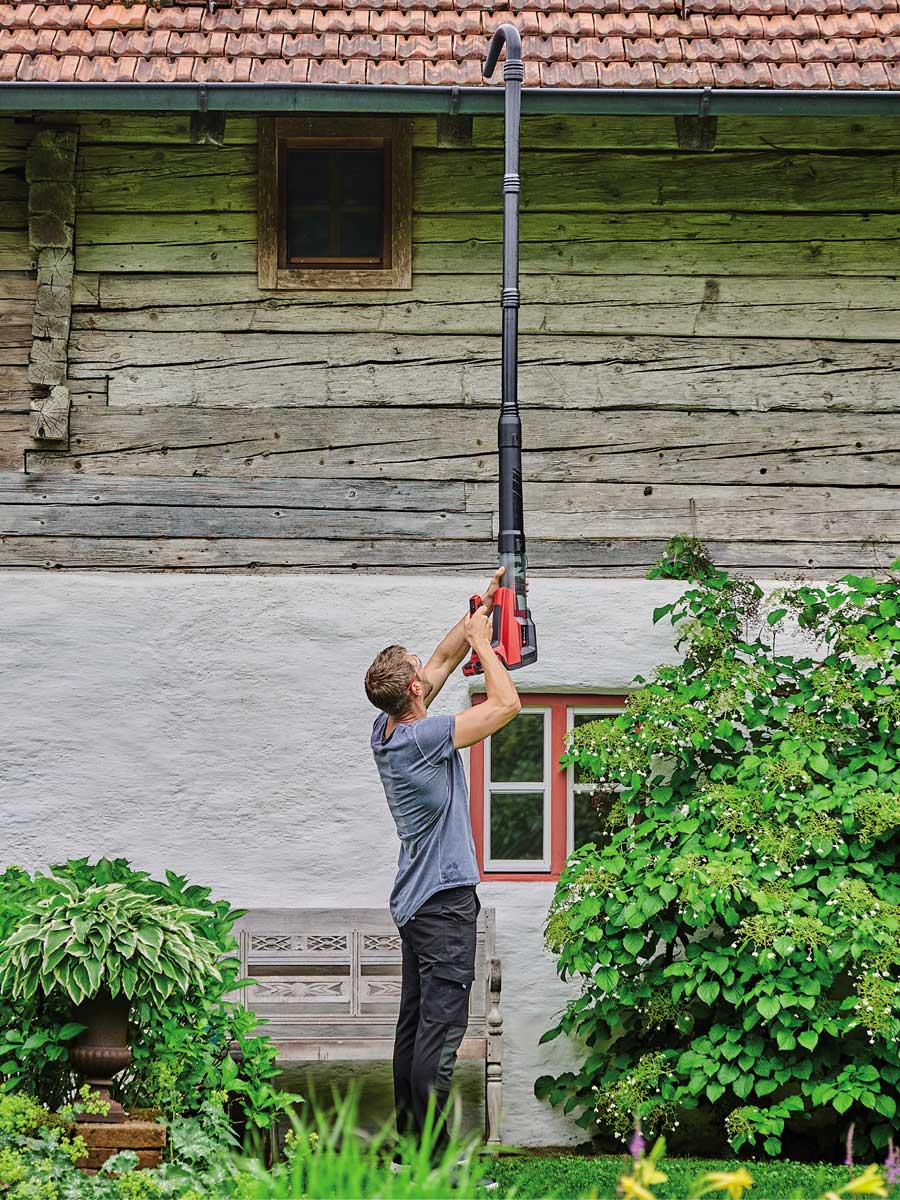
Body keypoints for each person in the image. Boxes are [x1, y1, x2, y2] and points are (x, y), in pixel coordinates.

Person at [365, 567, 521, 1174]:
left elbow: (442, 657)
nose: (425, 667)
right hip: (445, 904)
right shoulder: (424, 738)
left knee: (414, 1029)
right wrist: (486, 644)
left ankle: (409, 1156)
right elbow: (506, 705)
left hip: (416, 903)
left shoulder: (387, 729)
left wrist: (482, 606)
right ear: (413, 689)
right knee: (441, 1034)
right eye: (417, 670)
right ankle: (431, 1165)